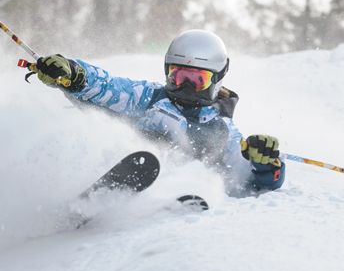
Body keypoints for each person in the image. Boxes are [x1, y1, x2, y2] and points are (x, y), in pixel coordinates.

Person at [30, 28, 284, 195]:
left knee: (193, 164)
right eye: (177, 75)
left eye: (197, 79)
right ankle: (97, 188)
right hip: (134, 162)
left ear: (217, 79)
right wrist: (75, 75)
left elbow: (248, 181)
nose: (185, 86)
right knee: (120, 132)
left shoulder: (222, 131)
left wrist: (265, 165)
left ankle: (173, 200)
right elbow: (108, 87)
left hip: (181, 190)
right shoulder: (149, 97)